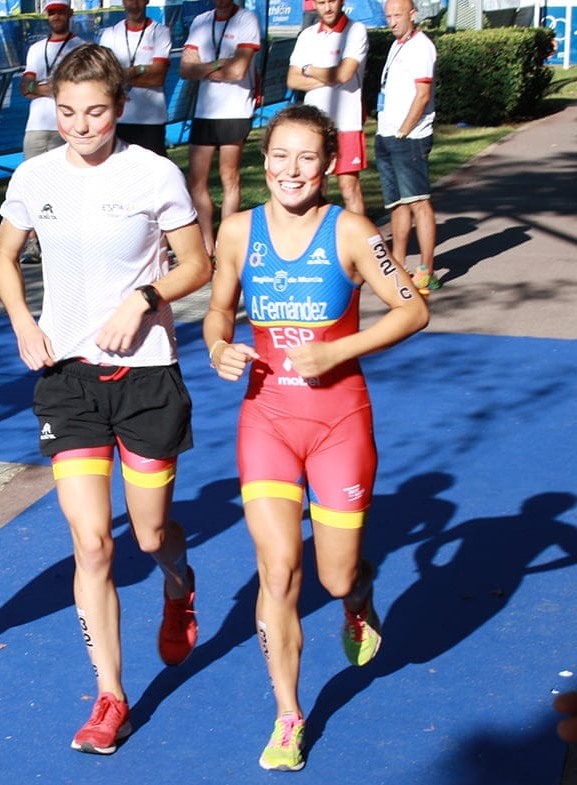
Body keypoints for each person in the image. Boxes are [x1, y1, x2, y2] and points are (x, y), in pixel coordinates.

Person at [0, 43, 213, 755]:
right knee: (91, 542)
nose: (81, 126)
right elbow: (2, 254)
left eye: (95, 112)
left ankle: (179, 582)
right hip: (68, 378)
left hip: (146, 376)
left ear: (120, 107)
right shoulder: (33, 174)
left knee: (147, 536)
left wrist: (145, 297)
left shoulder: (153, 173)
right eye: (67, 112)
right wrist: (24, 320)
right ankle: (111, 694)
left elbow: (197, 264)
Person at [202, 104, 428, 771]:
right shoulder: (239, 232)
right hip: (266, 416)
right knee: (277, 568)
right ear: (262, 160)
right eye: (279, 155)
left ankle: (357, 597)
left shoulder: (352, 230)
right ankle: (288, 714)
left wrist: (339, 351)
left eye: (306, 157)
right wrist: (218, 346)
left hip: (339, 421)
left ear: (328, 165)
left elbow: (414, 307)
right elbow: (218, 311)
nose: (290, 170)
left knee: (331, 574)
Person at [179, 0, 261, 256]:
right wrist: (217, 64)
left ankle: (227, 241)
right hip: (205, 111)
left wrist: (202, 69)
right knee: (196, 180)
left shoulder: (247, 20)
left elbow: (238, 71)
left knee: (229, 177)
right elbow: (185, 69)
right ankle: (206, 244)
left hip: (235, 110)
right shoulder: (201, 22)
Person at [375, 0, 439, 294]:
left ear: (412, 14)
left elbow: (422, 95)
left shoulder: (421, 47)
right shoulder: (397, 44)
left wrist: (404, 130)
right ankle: (398, 263)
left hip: (409, 138)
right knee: (397, 204)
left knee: (418, 202)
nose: (392, 21)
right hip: (386, 134)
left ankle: (426, 269)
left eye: (397, 15)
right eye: (388, 16)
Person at [287, 0, 369, 214]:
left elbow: (344, 74)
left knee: (349, 189)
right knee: (313, 187)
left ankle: (359, 244)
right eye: (321, 2)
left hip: (346, 124)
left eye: (331, 1)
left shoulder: (356, 30)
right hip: (313, 126)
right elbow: (292, 80)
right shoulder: (307, 35)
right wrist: (330, 77)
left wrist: (309, 68)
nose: (328, 7)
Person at [18, 0, 84, 264]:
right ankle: (34, 243)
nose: (56, 17)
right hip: (36, 125)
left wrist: (44, 87)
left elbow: (78, 86)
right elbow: (25, 87)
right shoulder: (36, 49)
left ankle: (64, 240)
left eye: (61, 12)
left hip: (64, 125)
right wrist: (56, 87)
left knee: (66, 183)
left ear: (70, 14)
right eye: (52, 13)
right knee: (33, 184)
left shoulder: (82, 47)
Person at [97, 0, 173, 157]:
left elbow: (158, 78)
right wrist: (143, 71)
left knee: (154, 175)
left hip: (151, 121)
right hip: (118, 120)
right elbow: (104, 78)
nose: (134, 4)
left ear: (146, 1)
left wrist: (125, 75)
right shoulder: (110, 34)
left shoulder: (160, 32)